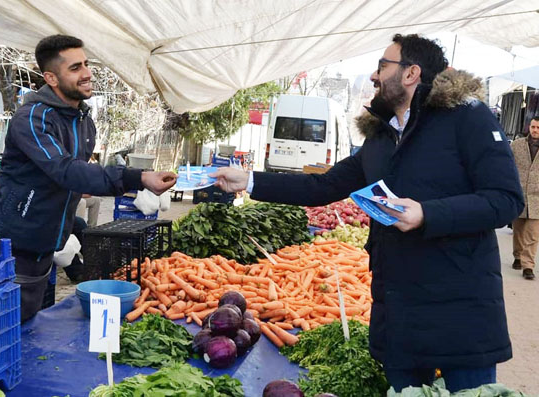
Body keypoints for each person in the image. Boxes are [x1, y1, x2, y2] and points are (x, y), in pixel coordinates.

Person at [211, 34, 524, 393]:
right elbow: (323, 187)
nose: (374, 77)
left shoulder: (467, 118)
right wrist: (248, 180)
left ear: (411, 73)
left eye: (382, 66)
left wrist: (427, 214)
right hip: (400, 313)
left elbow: (505, 199)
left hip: (460, 310)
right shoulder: (380, 136)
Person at [0, 34, 176, 322]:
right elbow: (66, 170)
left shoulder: (83, 122)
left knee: (24, 336)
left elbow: (61, 175)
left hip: (43, 253)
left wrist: (25, 186)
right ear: (51, 78)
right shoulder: (32, 118)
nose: (87, 73)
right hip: (7, 253)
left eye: (86, 64)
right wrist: (138, 177)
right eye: (75, 68)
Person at [510, 116, 539, 280]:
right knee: (518, 230)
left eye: (538, 128)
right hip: (519, 193)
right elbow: (508, 165)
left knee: (533, 234)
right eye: (533, 127)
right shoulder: (517, 145)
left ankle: (528, 266)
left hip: (537, 197)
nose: (535, 130)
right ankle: (518, 256)